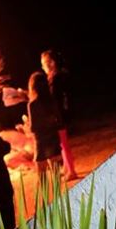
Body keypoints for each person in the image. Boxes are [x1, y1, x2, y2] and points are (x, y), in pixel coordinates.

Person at [41, 49, 78, 179]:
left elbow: (55, 98)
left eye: (44, 63)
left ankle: (71, 171)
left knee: (63, 144)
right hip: (61, 114)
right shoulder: (57, 76)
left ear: (51, 62)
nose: (43, 66)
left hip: (59, 115)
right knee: (62, 144)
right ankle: (67, 168)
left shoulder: (56, 78)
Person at [27, 71, 63, 180]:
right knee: (56, 176)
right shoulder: (51, 101)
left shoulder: (32, 105)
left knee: (42, 177)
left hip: (41, 142)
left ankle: (47, 197)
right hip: (53, 139)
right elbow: (59, 121)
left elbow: (33, 127)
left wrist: (27, 126)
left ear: (32, 87)